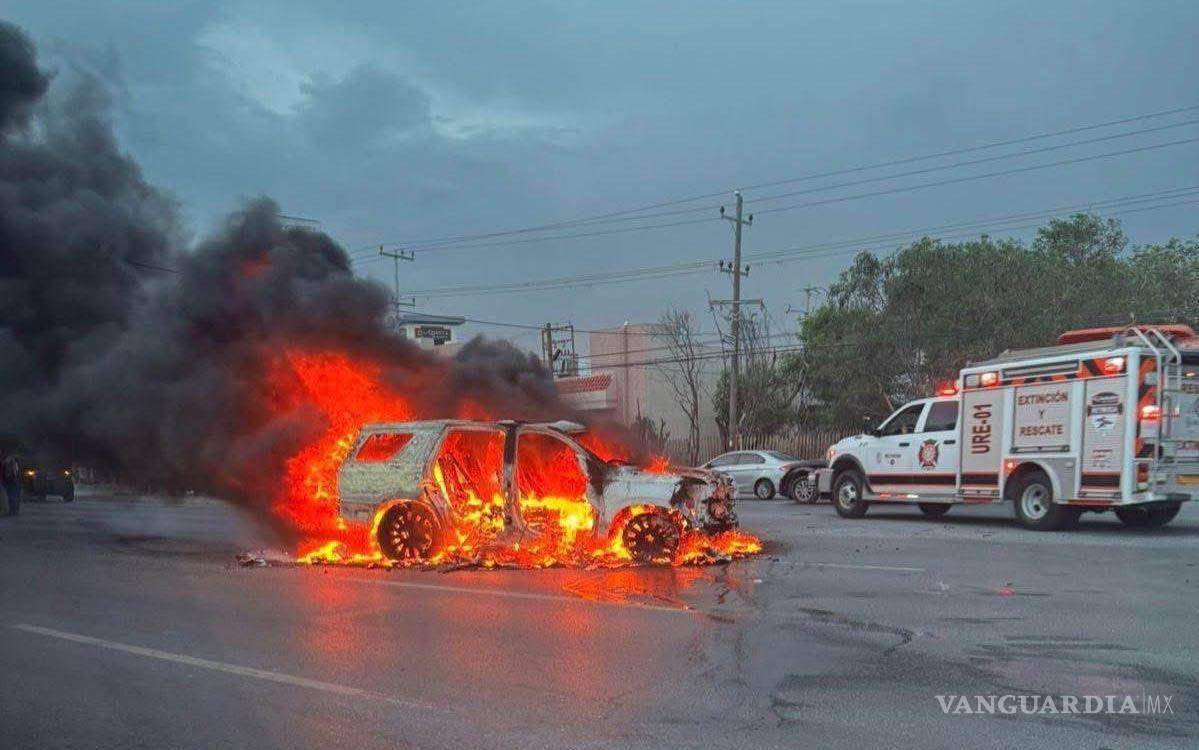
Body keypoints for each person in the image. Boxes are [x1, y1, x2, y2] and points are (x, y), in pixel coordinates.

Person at [1, 451, 20, 516]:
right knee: (13, 496)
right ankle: (13, 510)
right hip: (11, 480)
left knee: (10, 496)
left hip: (8, 480)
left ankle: (12, 510)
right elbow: (16, 471)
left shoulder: (7, 461)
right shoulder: (13, 460)